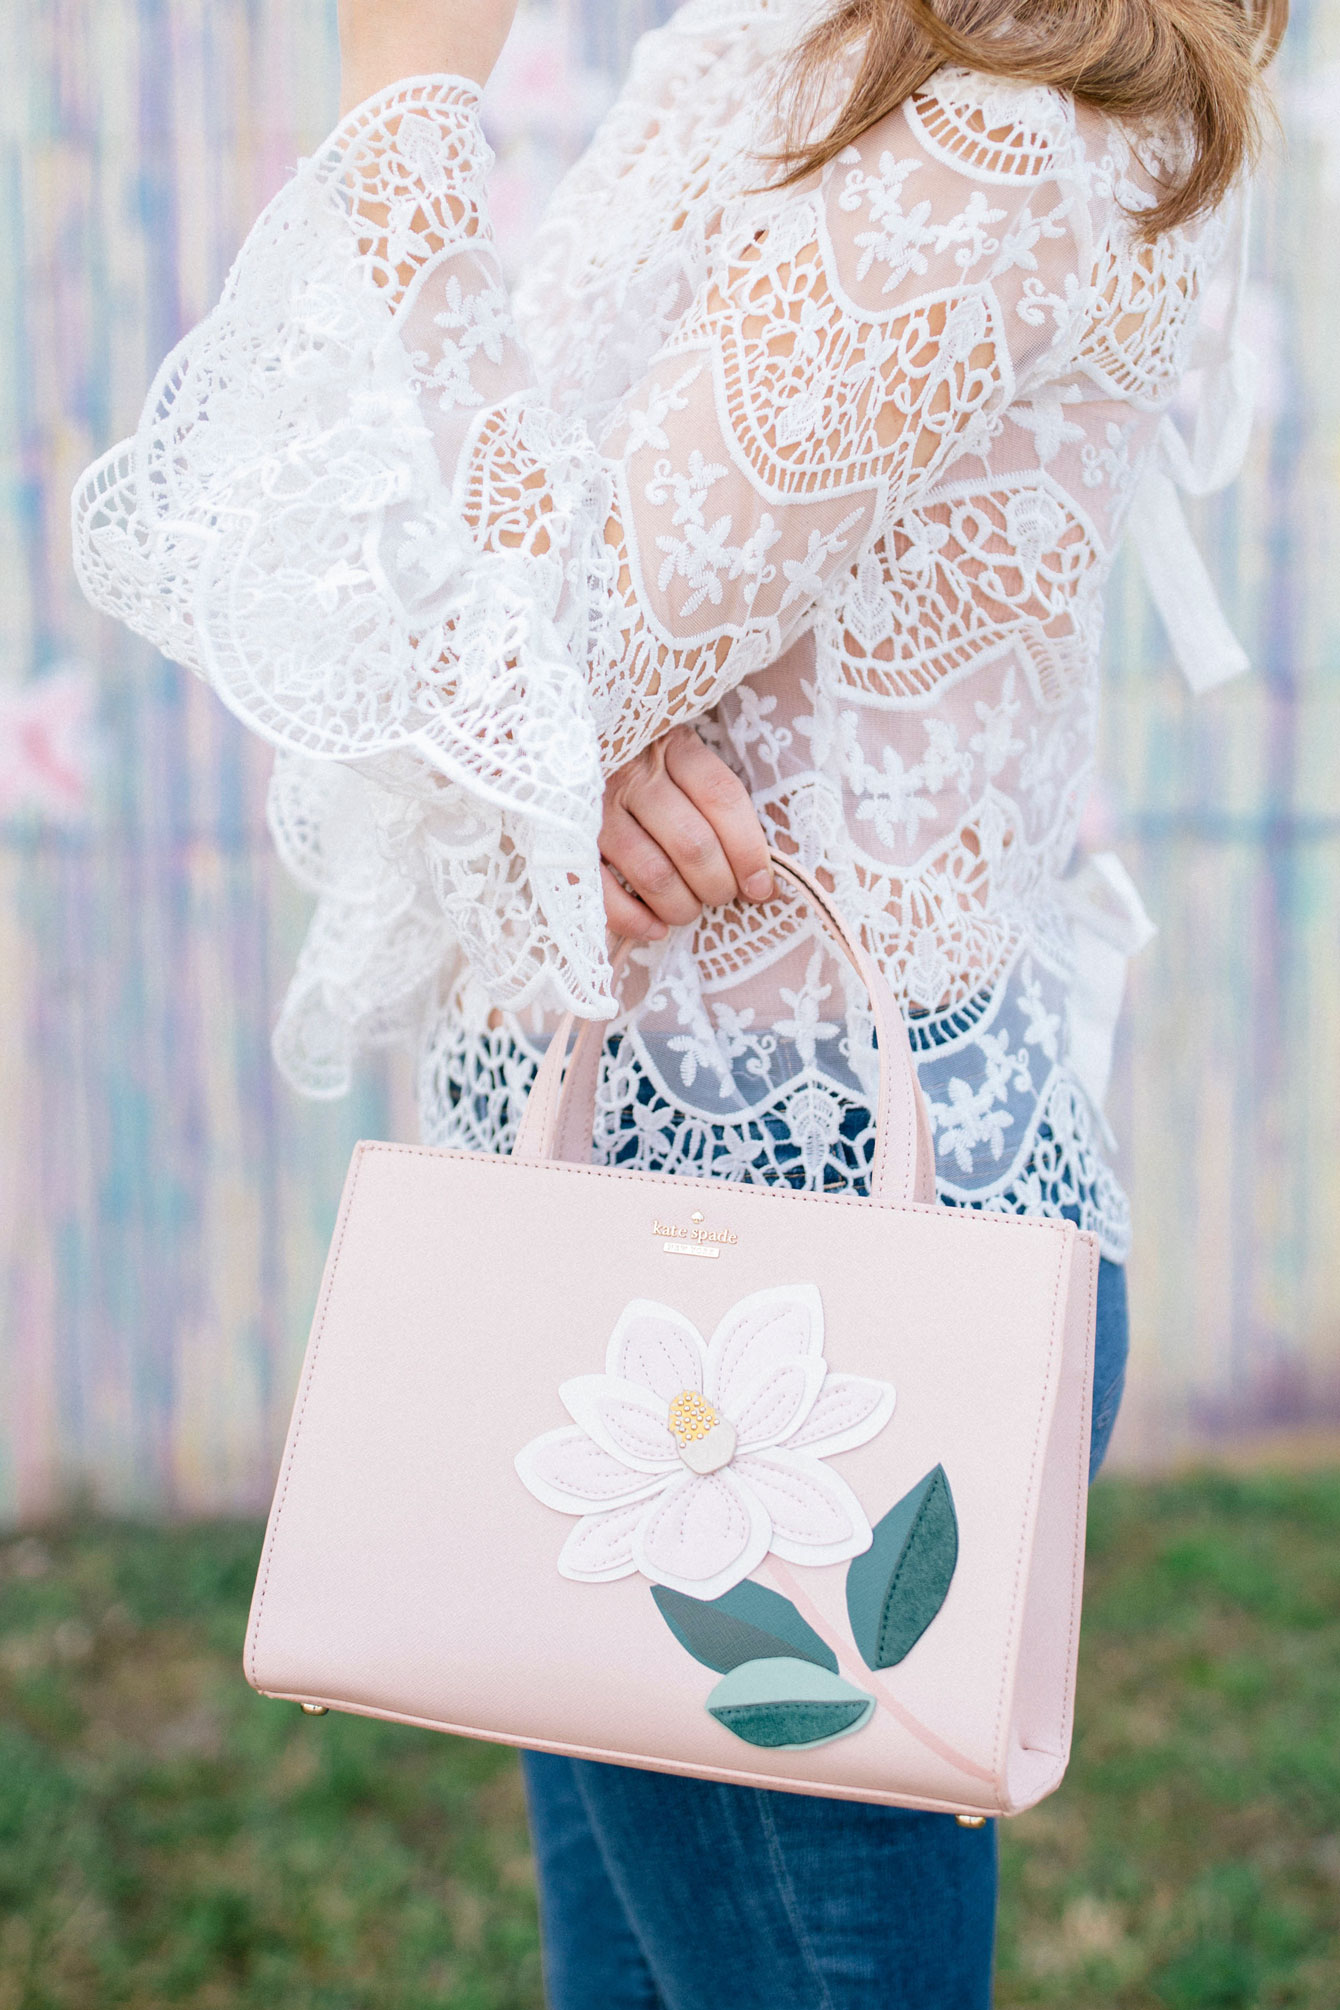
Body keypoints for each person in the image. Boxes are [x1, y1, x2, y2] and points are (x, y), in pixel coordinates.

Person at [72, 0, 1285, 2000]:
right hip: (615, 1190)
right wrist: (559, 732)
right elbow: (517, 569)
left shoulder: (1003, 122)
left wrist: (409, 98)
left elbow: (540, 637)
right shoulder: (779, 39)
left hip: (806, 1273)